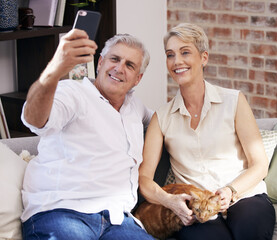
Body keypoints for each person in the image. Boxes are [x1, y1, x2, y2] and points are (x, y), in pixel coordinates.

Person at [138, 23, 276, 240]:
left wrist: (231, 191)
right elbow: (144, 178)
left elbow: (259, 165)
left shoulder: (234, 101)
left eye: (185, 52)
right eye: (170, 55)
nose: (177, 61)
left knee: (249, 231)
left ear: (204, 58)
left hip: (244, 196)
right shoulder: (161, 117)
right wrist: (169, 201)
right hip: (195, 208)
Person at [21, 28, 155, 240]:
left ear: (137, 79)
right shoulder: (72, 93)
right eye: (114, 59)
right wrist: (55, 69)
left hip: (118, 221)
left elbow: (167, 124)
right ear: (100, 62)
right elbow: (34, 120)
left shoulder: (136, 108)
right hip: (62, 211)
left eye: (129, 65)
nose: (119, 68)